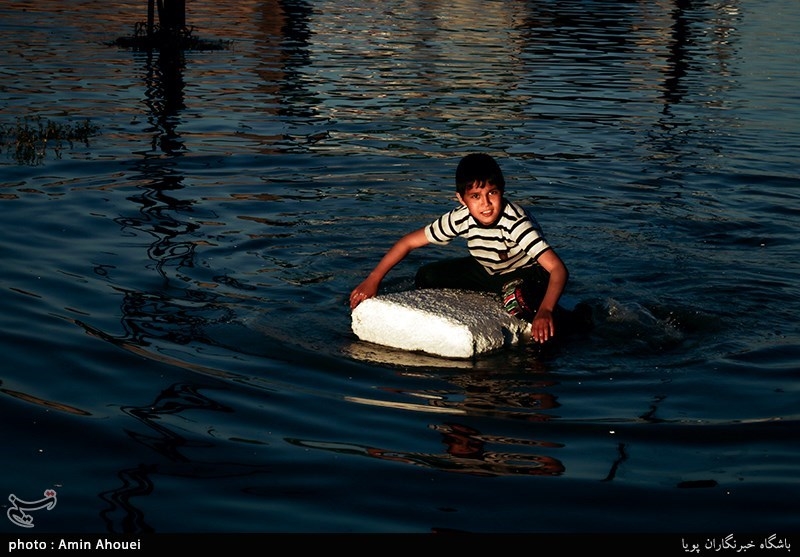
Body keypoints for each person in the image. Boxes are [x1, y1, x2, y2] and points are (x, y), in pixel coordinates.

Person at [349, 153, 589, 344]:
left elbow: (557, 269)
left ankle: (573, 319)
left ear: (501, 191)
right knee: (427, 275)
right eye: (475, 196)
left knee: (516, 299)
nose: (485, 204)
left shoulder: (515, 222)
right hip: (488, 269)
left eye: (492, 193)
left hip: (528, 272)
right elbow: (408, 242)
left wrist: (546, 310)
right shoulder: (460, 218)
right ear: (462, 199)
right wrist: (374, 278)